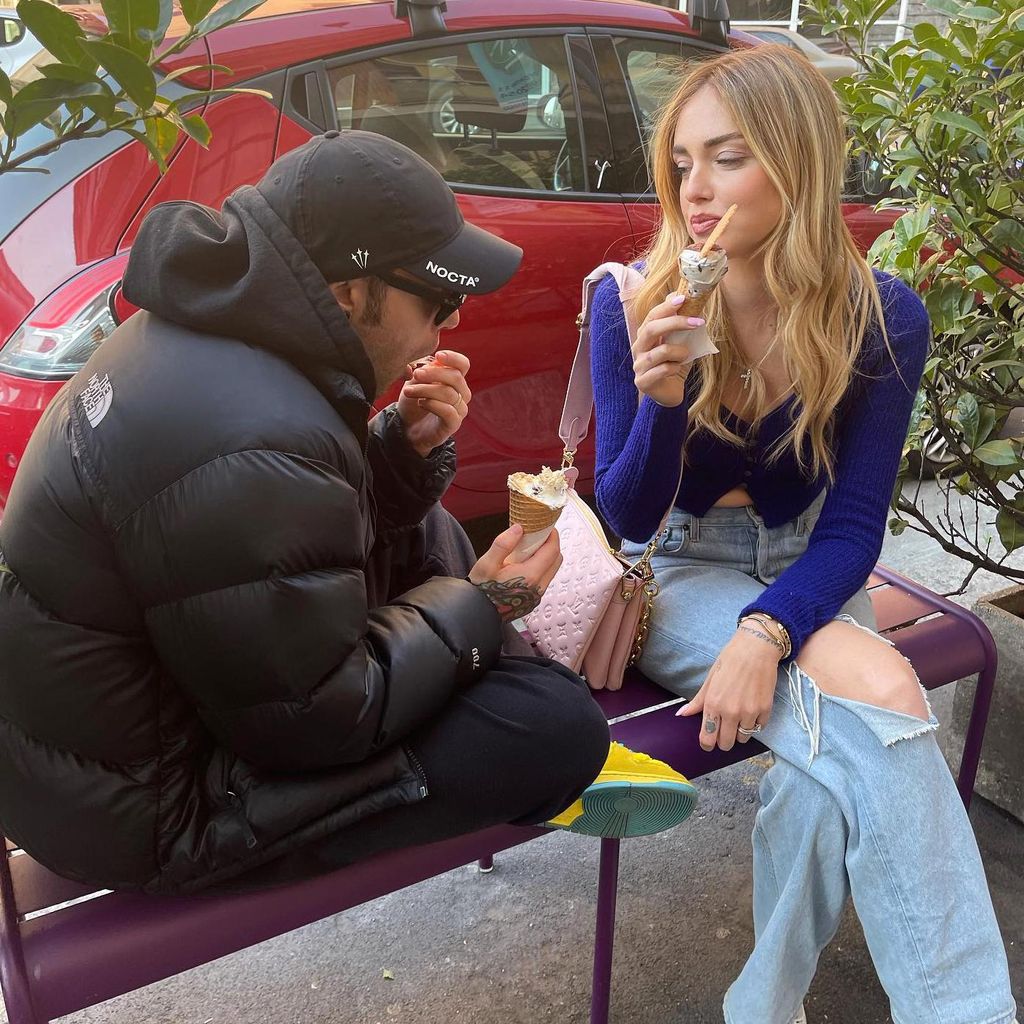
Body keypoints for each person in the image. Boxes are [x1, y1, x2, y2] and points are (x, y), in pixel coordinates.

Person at [0, 131, 696, 896]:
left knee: (424, 522)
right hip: (150, 810)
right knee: (554, 728)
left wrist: (397, 453)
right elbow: (317, 722)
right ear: (348, 292)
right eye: (440, 297)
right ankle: (527, 704)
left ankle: (501, 663)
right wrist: (485, 605)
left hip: (138, 727)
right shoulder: (251, 436)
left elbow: (276, 554)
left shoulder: (215, 334)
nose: (452, 323)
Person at [590, 45, 1017, 1024]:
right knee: (886, 698)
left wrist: (765, 630)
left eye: (728, 157)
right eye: (682, 161)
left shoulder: (879, 316)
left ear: (798, 160)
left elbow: (856, 522)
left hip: (811, 563)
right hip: (682, 566)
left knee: (823, 781)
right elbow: (629, 518)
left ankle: (763, 1005)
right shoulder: (629, 299)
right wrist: (662, 400)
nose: (695, 188)